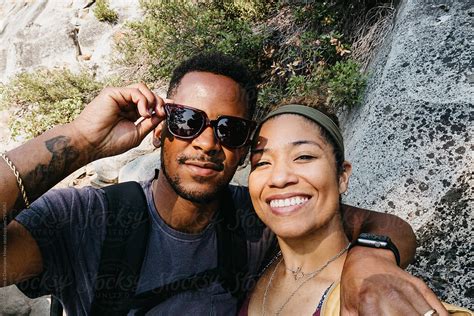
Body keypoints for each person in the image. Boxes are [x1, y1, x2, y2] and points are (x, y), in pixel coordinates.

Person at [0, 52, 442, 315]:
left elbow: (384, 225)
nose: (208, 142)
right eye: (188, 121)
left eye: (229, 129)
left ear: (245, 146)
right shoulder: (81, 219)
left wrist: (370, 265)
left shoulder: (258, 217)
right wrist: (80, 140)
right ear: (160, 129)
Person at [241, 100, 472, 315]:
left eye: (303, 157)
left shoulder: (373, 297)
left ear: (342, 176)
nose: (279, 178)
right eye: (262, 163)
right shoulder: (254, 261)